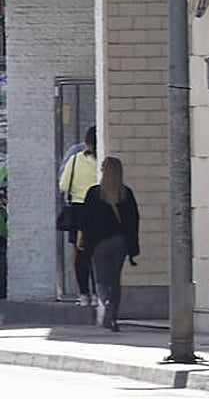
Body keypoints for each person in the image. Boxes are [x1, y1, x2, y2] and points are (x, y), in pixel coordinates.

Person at [78, 156, 139, 331]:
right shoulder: (126, 194)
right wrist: (133, 243)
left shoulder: (94, 193)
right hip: (120, 241)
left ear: (104, 171)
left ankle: (106, 303)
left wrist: (82, 238)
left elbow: (85, 219)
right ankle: (113, 311)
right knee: (115, 279)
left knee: (102, 279)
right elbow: (134, 220)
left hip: (100, 243)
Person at [59, 126, 99, 306]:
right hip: (98, 207)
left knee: (80, 253)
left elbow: (64, 185)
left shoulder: (75, 158)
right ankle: (99, 292)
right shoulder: (103, 161)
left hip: (78, 208)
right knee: (98, 251)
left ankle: (84, 294)